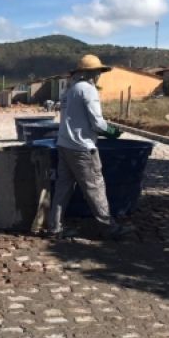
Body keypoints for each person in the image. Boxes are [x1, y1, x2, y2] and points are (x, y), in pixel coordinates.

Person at [46, 54, 126, 239]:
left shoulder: (69, 90)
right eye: (98, 72)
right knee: (95, 187)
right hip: (82, 148)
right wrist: (112, 131)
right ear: (93, 73)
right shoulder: (88, 90)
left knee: (62, 188)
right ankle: (108, 227)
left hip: (64, 145)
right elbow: (97, 123)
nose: (99, 75)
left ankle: (54, 227)